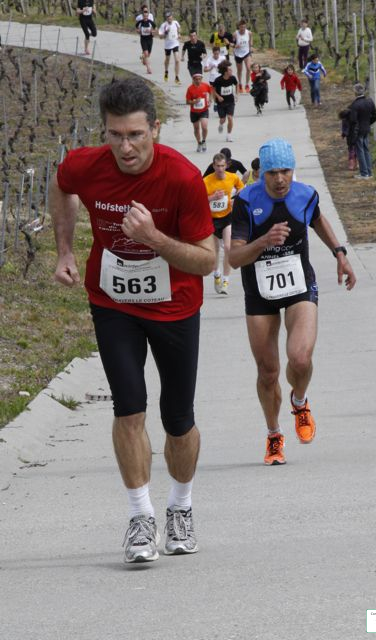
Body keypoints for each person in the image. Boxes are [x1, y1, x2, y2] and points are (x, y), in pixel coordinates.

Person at [50, 77, 215, 563]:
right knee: (128, 408)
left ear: (155, 130)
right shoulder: (86, 165)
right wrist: (64, 250)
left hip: (175, 305)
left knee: (178, 419)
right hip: (113, 301)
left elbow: (208, 260)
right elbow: (61, 186)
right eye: (115, 135)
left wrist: (154, 239)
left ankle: (180, 507)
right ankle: (140, 517)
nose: (125, 147)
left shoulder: (181, 177)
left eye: (136, 135)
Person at [229, 138, 356, 466]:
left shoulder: (305, 195)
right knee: (268, 371)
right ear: (262, 173)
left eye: (286, 171)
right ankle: (274, 434)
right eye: (272, 173)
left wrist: (339, 253)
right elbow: (234, 258)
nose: (280, 179)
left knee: (300, 359)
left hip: (299, 285)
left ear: (292, 170)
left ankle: (300, 402)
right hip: (259, 292)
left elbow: (318, 220)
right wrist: (263, 241)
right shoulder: (246, 201)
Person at [203, 152, 244, 295]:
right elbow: (198, 200)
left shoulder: (232, 177)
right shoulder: (207, 181)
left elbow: (242, 188)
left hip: (227, 217)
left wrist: (235, 199)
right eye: (217, 166)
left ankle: (226, 281)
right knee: (215, 250)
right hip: (212, 219)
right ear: (213, 166)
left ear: (226, 165)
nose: (220, 169)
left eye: (222, 166)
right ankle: (217, 275)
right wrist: (212, 197)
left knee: (228, 247)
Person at [349, 83, 376, 180]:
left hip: (358, 131)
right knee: (366, 150)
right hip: (366, 128)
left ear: (355, 92)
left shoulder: (355, 105)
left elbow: (353, 121)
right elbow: (375, 115)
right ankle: (369, 172)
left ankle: (364, 173)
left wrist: (353, 133)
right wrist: (368, 123)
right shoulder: (370, 101)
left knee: (360, 151)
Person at [212, 60, 238, 143]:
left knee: (230, 118)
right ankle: (221, 124)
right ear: (225, 72)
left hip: (230, 101)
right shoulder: (218, 80)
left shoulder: (232, 78)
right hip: (221, 102)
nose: (231, 71)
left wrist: (237, 94)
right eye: (230, 70)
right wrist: (218, 96)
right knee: (222, 119)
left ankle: (228, 135)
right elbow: (213, 90)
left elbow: (237, 84)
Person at [186, 72, 211, 152]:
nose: (198, 81)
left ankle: (204, 141)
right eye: (196, 79)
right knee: (196, 129)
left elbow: (211, 92)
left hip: (204, 110)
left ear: (201, 79)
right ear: (193, 80)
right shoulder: (190, 89)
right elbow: (187, 102)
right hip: (194, 112)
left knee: (204, 127)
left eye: (199, 79)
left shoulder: (206, 85)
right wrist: (195, 102)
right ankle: (199, 142)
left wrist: (210, 100)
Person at [158, 11, 181, 84]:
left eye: (170, 17)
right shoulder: (164, 25)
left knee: (177, 60)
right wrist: (166, 32)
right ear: (166, 18)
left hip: (175, 43)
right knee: (167, 59)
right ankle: (166, 71)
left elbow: (179, 28)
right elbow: (160, 37)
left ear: (172, 17)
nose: (169, 18)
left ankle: (176, 77)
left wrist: (179, 34)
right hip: (168, 45)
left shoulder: (176, 23)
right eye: (168, 17)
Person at [232, 18, 253, 93]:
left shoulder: (249, 33)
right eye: (241, 27)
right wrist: (235, 46)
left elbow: (250, 41)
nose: (243, 28)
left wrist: (251, 47)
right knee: (239, 70)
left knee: (248, 68)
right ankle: (240, 84)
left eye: (244, 27)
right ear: (239, 27)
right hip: (238, 54)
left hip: (246, 53)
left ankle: (247, 85)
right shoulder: (235, 34)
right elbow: (231, 44)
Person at [204, 46, 226, 111]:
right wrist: (211, 67)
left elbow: (227, 66)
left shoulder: (223, 58)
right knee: (214, 91)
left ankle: (222, 103)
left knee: (221, 90)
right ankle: (215, 103)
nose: (216, 55)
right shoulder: (209, 59)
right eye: (215, 54)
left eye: (217, 54)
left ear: (219, 53)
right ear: (213, 53)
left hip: (221, 77)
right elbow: (205, 70)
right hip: (212, 78)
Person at [135, 6, 156, 73]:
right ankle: (148, 68)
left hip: (150, 39)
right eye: (144, 16)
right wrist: (139, 31)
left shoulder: (151, 22)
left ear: (148, 15)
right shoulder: (140, 22)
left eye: (146, 16)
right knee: (146, 53)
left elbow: (155, 29)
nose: (145, 17)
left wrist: (152, 31)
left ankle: (143, 57)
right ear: (142, 15)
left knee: (148, 54)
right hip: (143, 39)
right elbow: (136, 29)